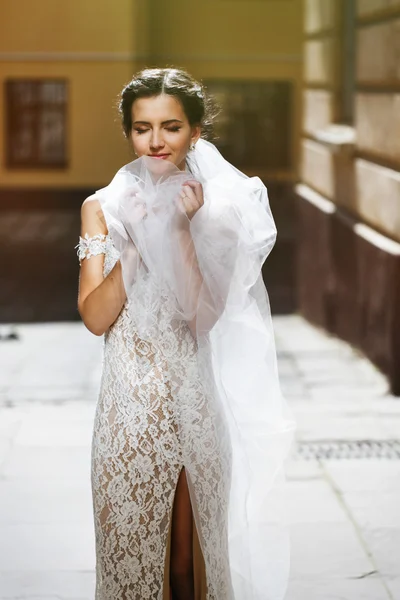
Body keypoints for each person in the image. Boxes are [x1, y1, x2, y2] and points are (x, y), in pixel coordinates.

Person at [76, 67, 295, 600]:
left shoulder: (216, 210)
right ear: (128, 131)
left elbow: (202, 319)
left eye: (170, 127)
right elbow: (95, 316)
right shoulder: (100, 208)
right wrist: (132, 245)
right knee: (128, 563)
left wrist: (175, 230)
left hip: (194, 405)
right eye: (141, 127)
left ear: (195, 132)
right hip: (127, 411)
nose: (155, 141)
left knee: (185, 569)